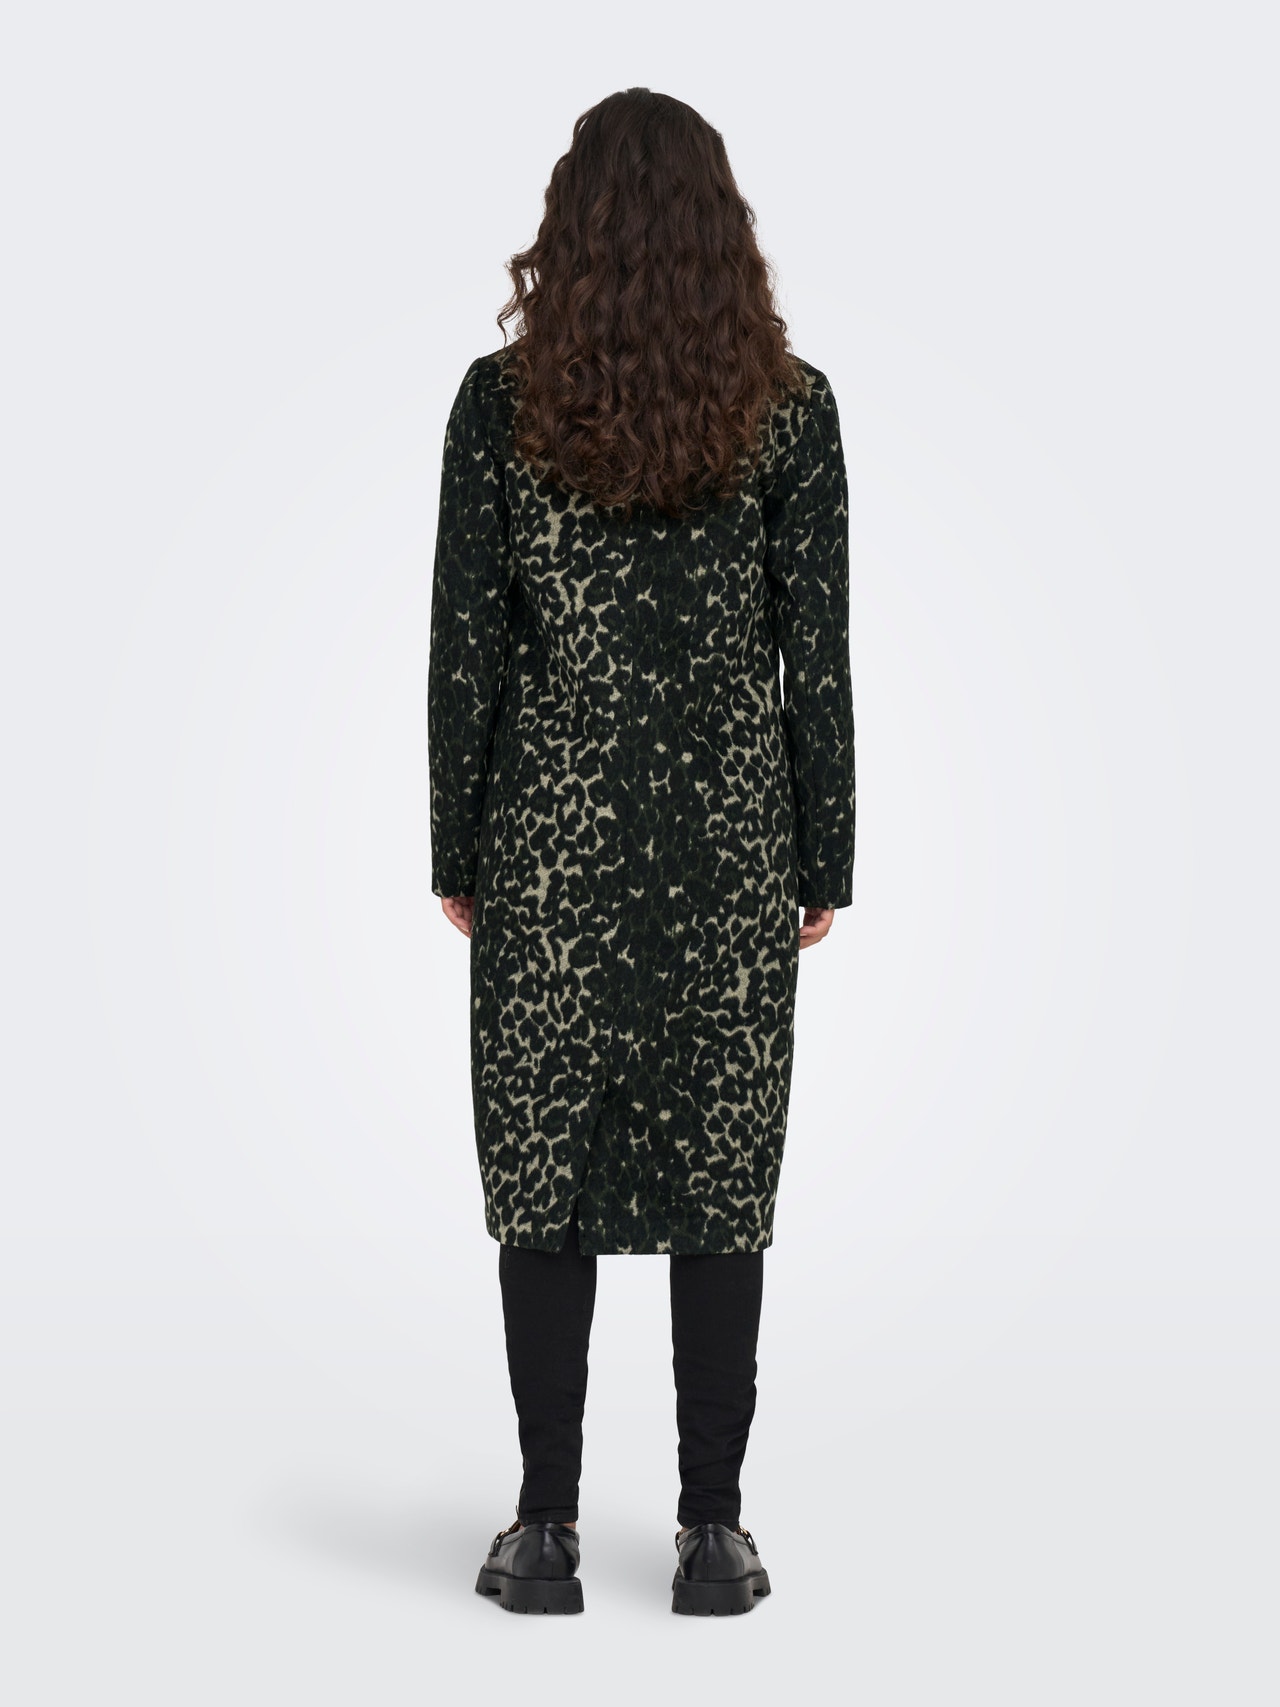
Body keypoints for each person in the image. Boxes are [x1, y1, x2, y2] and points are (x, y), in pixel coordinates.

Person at [427, 87, 855, 1618]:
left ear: (572, 225)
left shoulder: (504, 403)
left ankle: (544, 1529)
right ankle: (713, 1535)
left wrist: (456, 844)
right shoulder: (790, 409)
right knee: (718, 1178)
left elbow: (466, 647)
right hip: (730, 844)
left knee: (542, 1172)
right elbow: (817, 656)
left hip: (550, 842)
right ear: (720, 232)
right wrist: (824, 857)